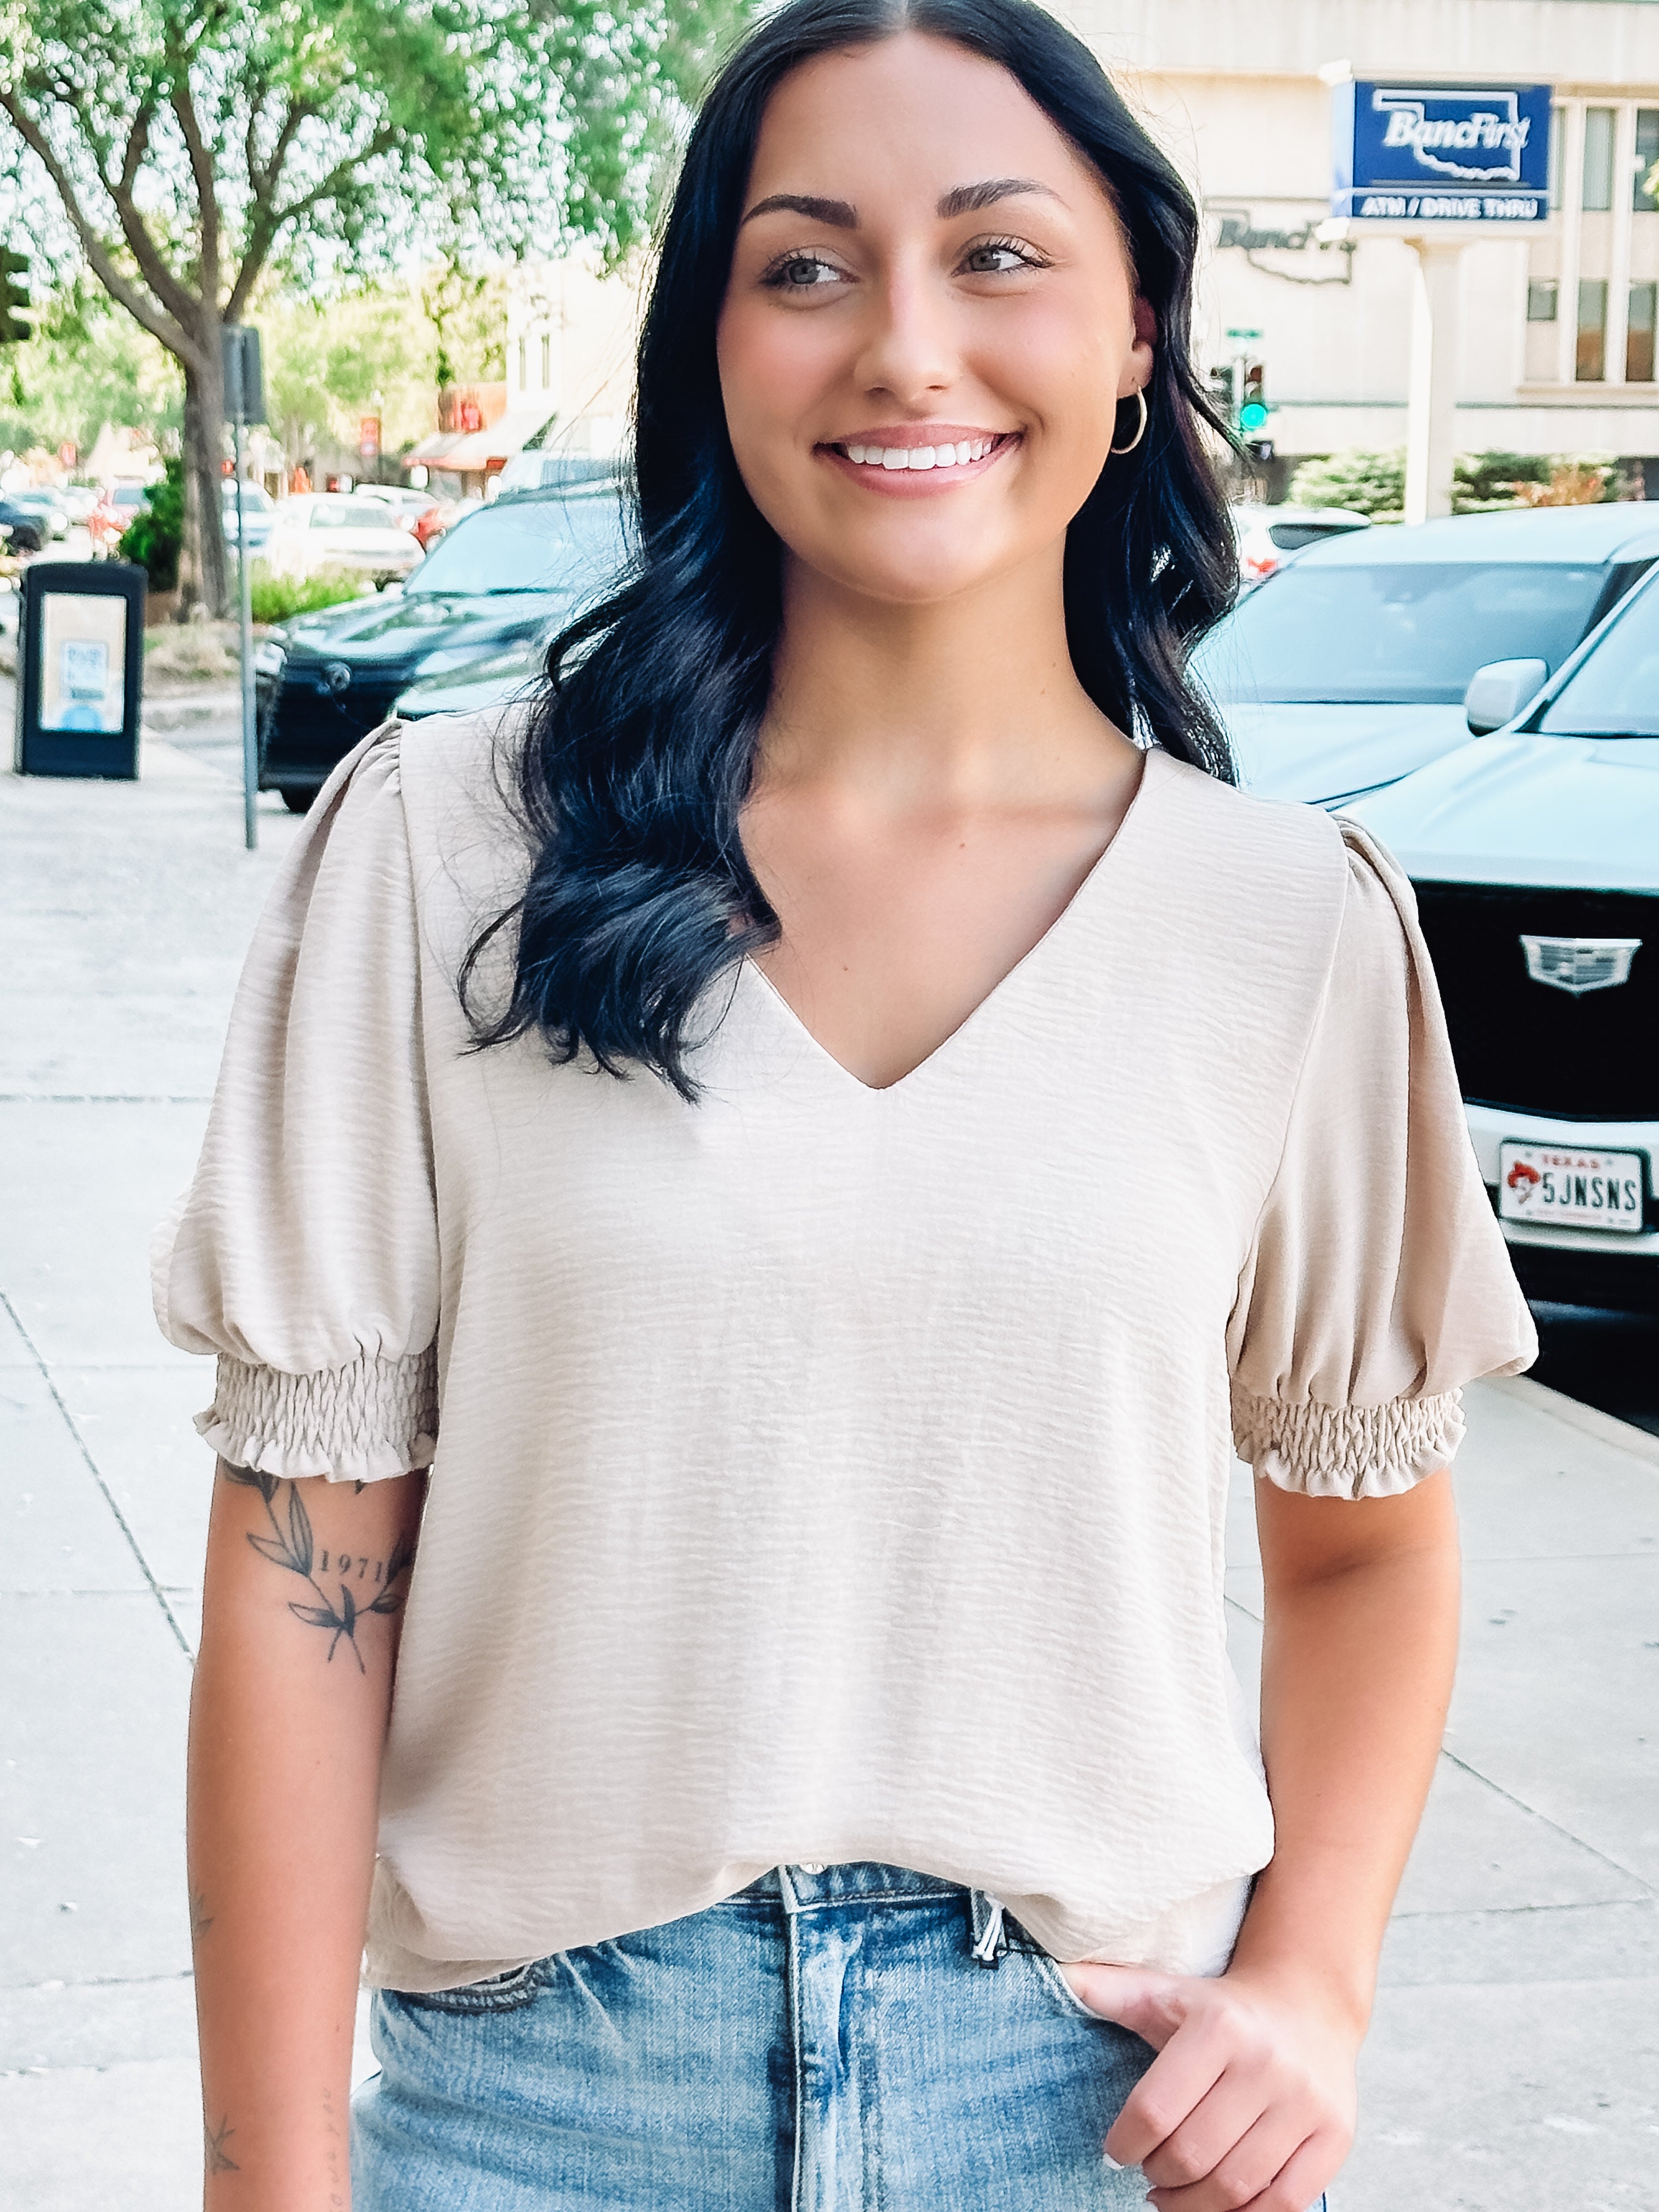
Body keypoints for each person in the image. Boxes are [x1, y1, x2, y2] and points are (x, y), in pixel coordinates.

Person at [155, 3, 1537, 2207]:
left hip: (1080, 2115)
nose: (905, 345)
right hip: (540, 2114)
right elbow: (310, 1577)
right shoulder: (442, 849)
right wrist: (269, 2180)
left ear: (1134, 336)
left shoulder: (1288, 926)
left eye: (998, 255)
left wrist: (1316, 1984)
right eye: (807, 265)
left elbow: (1366, 1547)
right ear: (713, 339)